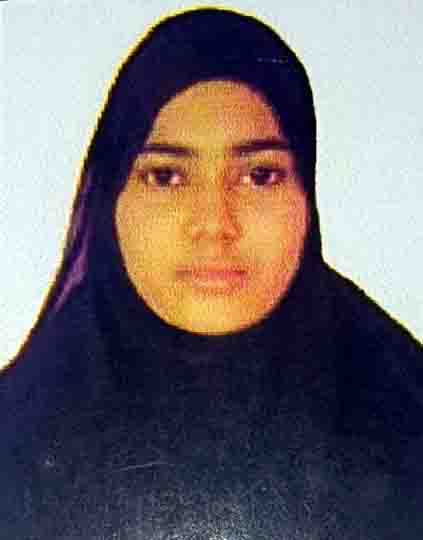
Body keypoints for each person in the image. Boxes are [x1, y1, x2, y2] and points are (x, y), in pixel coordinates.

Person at [2, 7, 422, 539]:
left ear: (307, 200)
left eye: (259, 175)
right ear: (110, 203)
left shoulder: (407, 420)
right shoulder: (18, 443)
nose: (214, 225)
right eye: (166, 176)